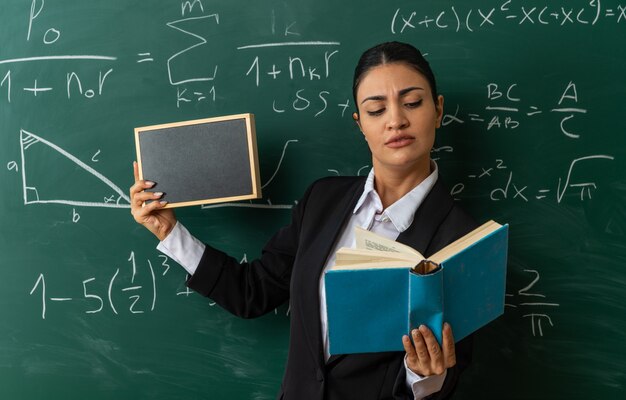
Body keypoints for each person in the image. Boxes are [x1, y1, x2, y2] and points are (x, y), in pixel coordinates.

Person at [130, 41, 477, 400]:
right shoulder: (323, 200)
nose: (396, 120)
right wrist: (168, 231)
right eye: (376, 109)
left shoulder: (463, 239)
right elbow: (252, 293)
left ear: (437, 110)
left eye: (412, 103)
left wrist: (421, 376)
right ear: (360, 123)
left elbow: (450, 373)